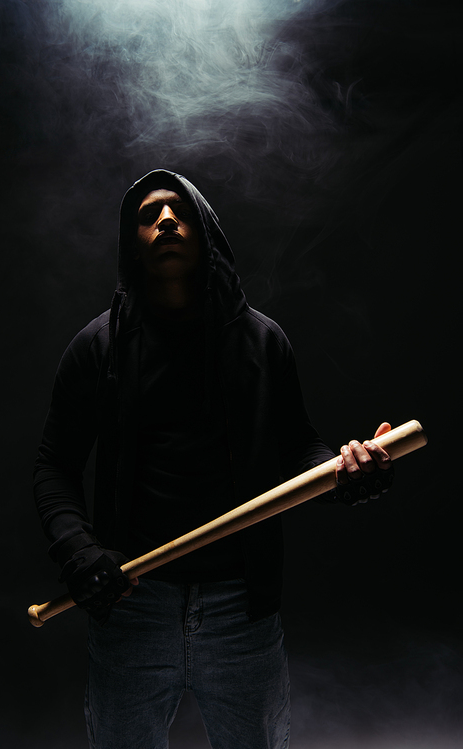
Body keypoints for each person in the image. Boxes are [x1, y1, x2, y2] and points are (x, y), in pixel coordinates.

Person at [33, 169, 394, 749]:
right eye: (149, 216)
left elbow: (301, 446)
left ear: (206, 233)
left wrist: (345, 470)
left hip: (240, 610)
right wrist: (80, 552)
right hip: (131, 604)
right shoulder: (96, 348)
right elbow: (54, 464)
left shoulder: (262, 341)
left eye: (179, 212)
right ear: (131, 242)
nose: (166, 221)